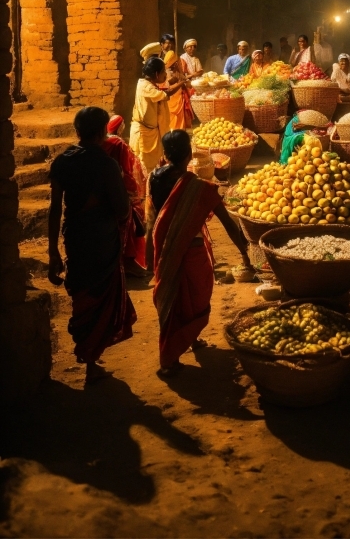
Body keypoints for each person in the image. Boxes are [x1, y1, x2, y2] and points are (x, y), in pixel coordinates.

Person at [146, 130, 251, 376]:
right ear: (190, 154)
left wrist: (149, 253)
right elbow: (229, 225)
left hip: (164, 248)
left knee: (173, 299)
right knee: (196, 298)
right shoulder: (200, 188)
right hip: (191, 251)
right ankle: (169, 359)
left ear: (165, 154)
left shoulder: (153, 178)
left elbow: (152, 217)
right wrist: (245, 253)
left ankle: (190, 340)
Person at [48, 107, 136, 384]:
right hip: (101, 238)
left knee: (83, 292)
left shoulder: (62, 161)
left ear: (77, 131)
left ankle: (88, 354)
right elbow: (122, 209)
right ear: (102, 133)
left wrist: (53, 252)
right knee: (100, 294)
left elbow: (55, 210)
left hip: (75, 236)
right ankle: (90, 357)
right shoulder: (106, 164)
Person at [103, 115, 147, 278]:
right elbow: (126, 169)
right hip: (120, 188)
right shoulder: (119, 144)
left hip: (105, 190)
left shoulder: (104, 143)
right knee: (129, 223)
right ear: (120, 127)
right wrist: (135, 189)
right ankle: (129, 262)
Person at [130, 56, 185, 174]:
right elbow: (165, 93)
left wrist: (173, 81)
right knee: (145, 165)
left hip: (152, 132)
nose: (165, 74)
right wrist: (182, 82)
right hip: (144, 134)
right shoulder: (144, 86)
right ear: (156, 74)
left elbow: (161, 88)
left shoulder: (148, 83)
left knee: (154, 163)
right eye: (163, 72)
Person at [162, 48, 193, 131]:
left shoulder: (176, 73)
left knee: (179, 125)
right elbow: (168, 87)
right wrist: (182, 82)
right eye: (177, 62)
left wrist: (185, 81)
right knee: (173, 124)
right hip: (173, 99)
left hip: (179, 99)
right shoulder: (166, 73)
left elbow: (188, 84)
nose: (178, 64)